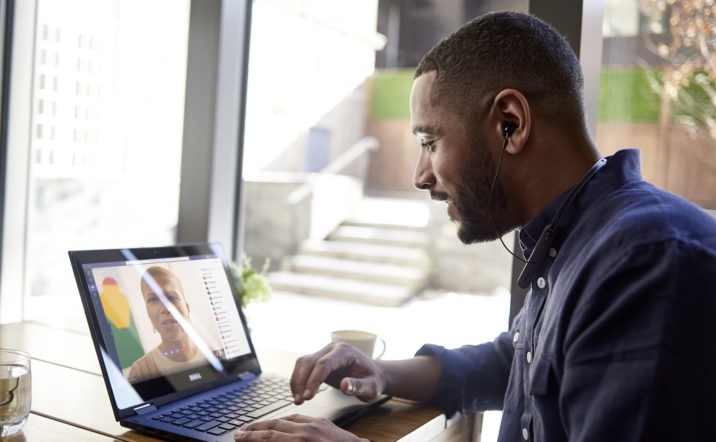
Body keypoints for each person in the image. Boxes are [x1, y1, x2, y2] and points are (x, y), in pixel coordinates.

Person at [234, 11, 716, 442]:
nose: (420, 175)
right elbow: (519, 361)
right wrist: (383, 372)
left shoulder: (647, 261)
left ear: (511, 123)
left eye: (430, 141)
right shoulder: (582, 236)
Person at [127, 266, 207, 381]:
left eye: (171, 297)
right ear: (148, 314)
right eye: (153, 299)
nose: (165, 308)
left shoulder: (213, 356)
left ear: (187, 308)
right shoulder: (140, 372)